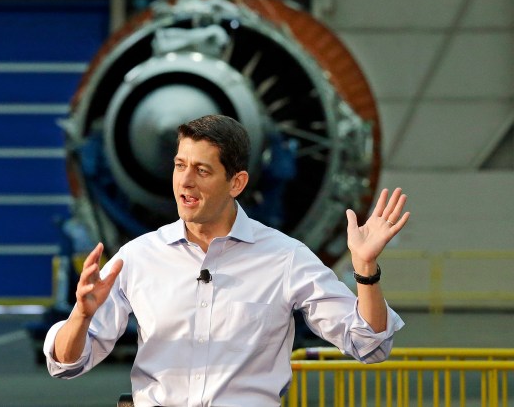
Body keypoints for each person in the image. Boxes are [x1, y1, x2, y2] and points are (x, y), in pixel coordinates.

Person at [43, 114, 408, 406]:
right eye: (180, 165)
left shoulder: (286, 258)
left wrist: (366, 271)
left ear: (236, 183)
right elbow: (66, 363)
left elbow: (370, 345)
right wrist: (81, 316)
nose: (185, 182)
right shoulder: (137, 257)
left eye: (202, 170)